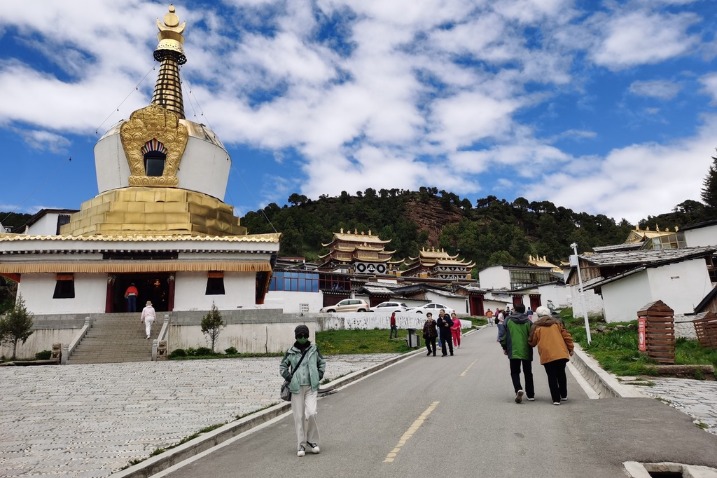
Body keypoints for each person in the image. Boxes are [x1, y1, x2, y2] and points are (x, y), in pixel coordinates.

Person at [280, 325, 326, 457]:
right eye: (300, 336)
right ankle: (301, 444)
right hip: (296, 388)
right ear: (296, 337)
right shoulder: (290, 351)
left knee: (311, 413)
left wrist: (320, 374)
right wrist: (289, 377)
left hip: (311, 387)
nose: (303, 338)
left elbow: (321, 362)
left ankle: (312, 441)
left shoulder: (314, 349)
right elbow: (283, 366)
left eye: (305, 335)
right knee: (299, 416)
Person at [529, 306, 574, 405]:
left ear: (538, 315)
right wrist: (571, 349)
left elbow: (532, 342)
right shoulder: (557, 323)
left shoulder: (536, 326)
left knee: (551, 376)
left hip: (547, 355)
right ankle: (564, 395)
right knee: (561, 373)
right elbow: (567, 336)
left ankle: (556, 399)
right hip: (560, 353)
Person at [499, 304, 534, 403]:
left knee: (515, 372)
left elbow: (503, 335)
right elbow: (532, 335)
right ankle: (531, 395)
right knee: (528, 373)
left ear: (515, 310)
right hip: (526, 350)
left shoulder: (508, 320)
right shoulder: (528, 321)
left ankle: (518, 389)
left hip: (513, 350)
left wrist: (505, 347)